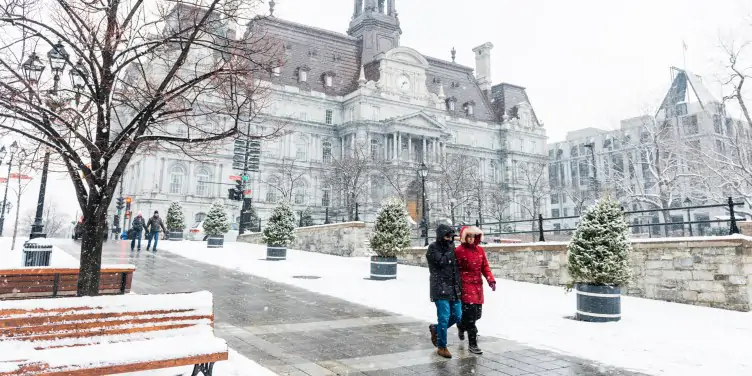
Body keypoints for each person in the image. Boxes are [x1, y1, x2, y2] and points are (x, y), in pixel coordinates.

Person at [455, 226, 496, 355]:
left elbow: (485, 266)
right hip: (465, 285)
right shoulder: (459, 251)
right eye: (469, 236)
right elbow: (454, 269)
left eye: (473, 236)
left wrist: (491, 280)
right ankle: (473, 344)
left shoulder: (480, 251)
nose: (471, 239)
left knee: (477, 314)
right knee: (471, 317)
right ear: (464, 237)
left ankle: (461, 325)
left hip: (478, 286)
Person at [426, 224, 462, 359]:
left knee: (458, 316)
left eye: (451, 237)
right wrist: (451, 252)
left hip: (453, 288)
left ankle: (436, 329)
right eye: (447, 236)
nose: (450, 239)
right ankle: (442, 346)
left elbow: (456, 268)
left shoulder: (452, 248)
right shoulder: (432, 248)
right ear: (441, 236)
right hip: (439, 288)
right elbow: (440, 262)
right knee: (444, 317)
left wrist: (459, 286)